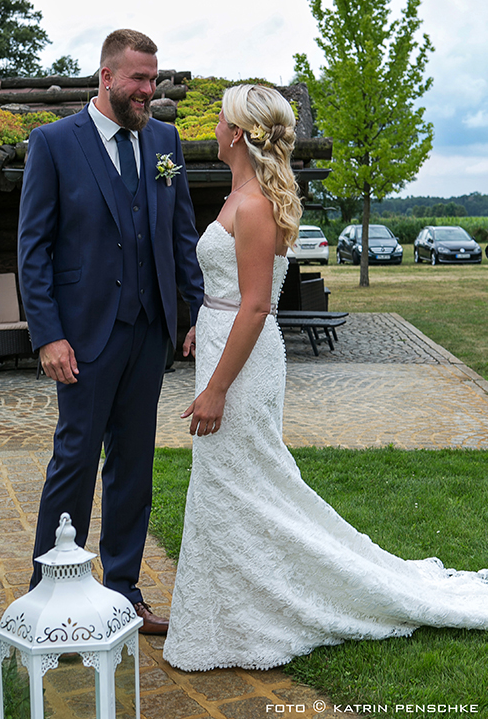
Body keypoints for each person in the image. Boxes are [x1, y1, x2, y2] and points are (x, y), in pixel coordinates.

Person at [163, 83, 488, 671]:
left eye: (219, 119)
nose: (211, 126)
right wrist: (199, 326)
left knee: (243, 482)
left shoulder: (256, 203)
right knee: (232, 485)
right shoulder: (243, 191)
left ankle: (266, 610)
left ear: (238, 133)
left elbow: (258, 306)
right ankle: (233, 611)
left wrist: (215, 388)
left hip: (241, 365)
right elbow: (231, 291)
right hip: (220, 343)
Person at [18, 29, 203, 634]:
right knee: (74, 458)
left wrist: (193, 312)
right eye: (140, 80)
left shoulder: (165, 142)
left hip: (148, 331)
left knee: (135, 463)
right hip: (83, 335)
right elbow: (34, 248)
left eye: (155, 79)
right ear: (107, 79)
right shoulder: (52, 144)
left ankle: (123, 591)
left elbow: (180, 236)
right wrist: (48, 334)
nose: (150, 90)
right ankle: (52, 592)